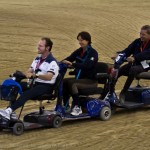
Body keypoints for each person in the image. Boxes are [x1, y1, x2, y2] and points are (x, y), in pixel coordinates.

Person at [0, 37, 59, 120]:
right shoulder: (37, 59)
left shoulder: (52, 62)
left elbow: (49, 77)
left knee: (27, 93)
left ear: (47, 48)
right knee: (15, 86)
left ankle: (9, 111)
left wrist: (36, 75)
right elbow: (29, 72)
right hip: (35, 83)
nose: (38, 47)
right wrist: (19, 74)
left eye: (40, 46)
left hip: (46, 87)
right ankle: (12, 113)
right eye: (38, 45)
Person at [62, 31, 98, 116]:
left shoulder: (93, 53)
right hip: (80, 79)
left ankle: (77, 107)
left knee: (72, 83)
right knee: (63, 82)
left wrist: (73, 64)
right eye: (79, 40)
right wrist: (60, 63)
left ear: (88, 41)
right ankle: (66, 106)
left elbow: (87, 65)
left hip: (90, 80)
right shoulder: (79, 51)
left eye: (82, 40)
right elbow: (69, 58)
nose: (80, 42)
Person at [111, 25, 150, 101]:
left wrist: (134, 58)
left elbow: (146, 54)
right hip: (134, 63)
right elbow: (127, 50)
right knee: (119, 70)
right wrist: (118, 54)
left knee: (133, 70)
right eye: (140, 34)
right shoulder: (137, 41)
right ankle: (110, 91)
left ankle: (124, 92)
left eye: (143, 35)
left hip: (145, 65)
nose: (141, 36)